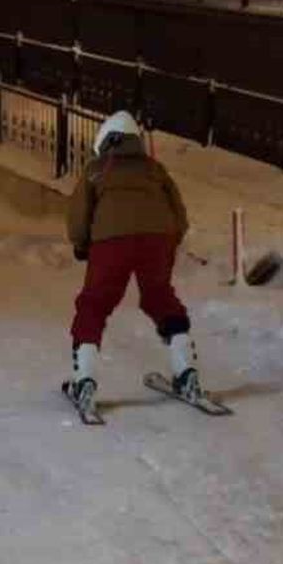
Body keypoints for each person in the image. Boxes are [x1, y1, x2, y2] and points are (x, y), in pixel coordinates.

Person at [63, 110, 200, 414]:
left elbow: (78, 219)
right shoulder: (156, 170)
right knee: (160, 297)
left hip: (112, 243)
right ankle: (186, 371)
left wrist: (82, 245)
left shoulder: (96, 171)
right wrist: (167, 244)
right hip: (158, 239)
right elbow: (179, 215)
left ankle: (84, 380)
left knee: (94, 304)